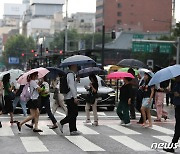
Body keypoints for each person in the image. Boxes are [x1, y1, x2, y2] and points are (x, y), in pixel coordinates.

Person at [59, 64, 80, 135]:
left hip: (69, 97)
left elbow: (73, 85)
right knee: (74, 113)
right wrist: (75, 97)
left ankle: (73, 130)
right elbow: (71, 86)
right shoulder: (70, 74)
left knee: (72, 113)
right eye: (76, 66)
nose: (77, 67)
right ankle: (62, 122)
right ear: (72, 66)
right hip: (70, 97)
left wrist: (76, 81)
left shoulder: (71, 74)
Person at [163, 76, 180, 153]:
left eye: (177, 77)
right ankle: (172, 145)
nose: (175, 78)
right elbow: (174, 92)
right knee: (178, 127)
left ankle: (172, 146)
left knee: (178, 127)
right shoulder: (177, 83)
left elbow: (177, 93)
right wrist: (169, 92)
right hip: (177, 107)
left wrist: (178, 94)